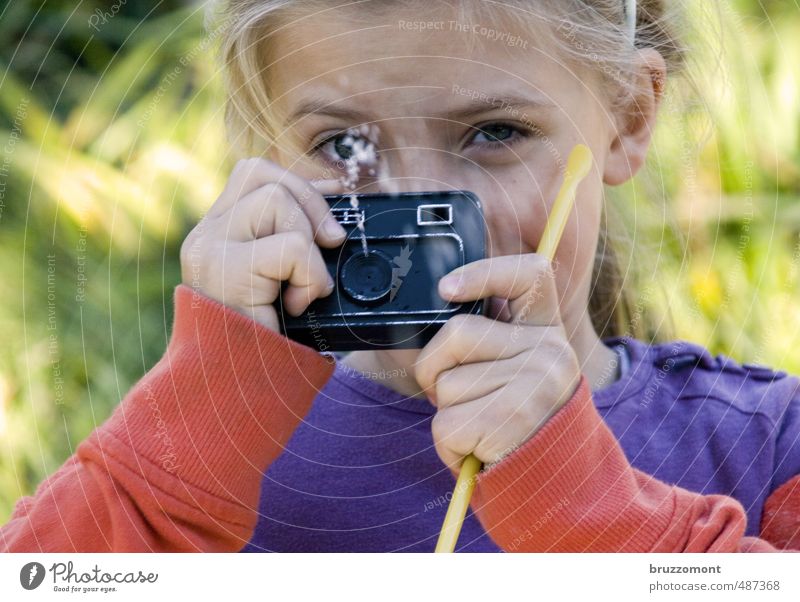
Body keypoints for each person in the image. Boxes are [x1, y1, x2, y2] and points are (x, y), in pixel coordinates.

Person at [2, 0, 799, 553]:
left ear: (628, 117)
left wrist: (578, 501)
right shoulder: (205, 452)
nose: (415, 205)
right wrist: (192, 435)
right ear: (267, 151)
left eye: (495, 132)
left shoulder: (765, 443)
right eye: (343, 147)